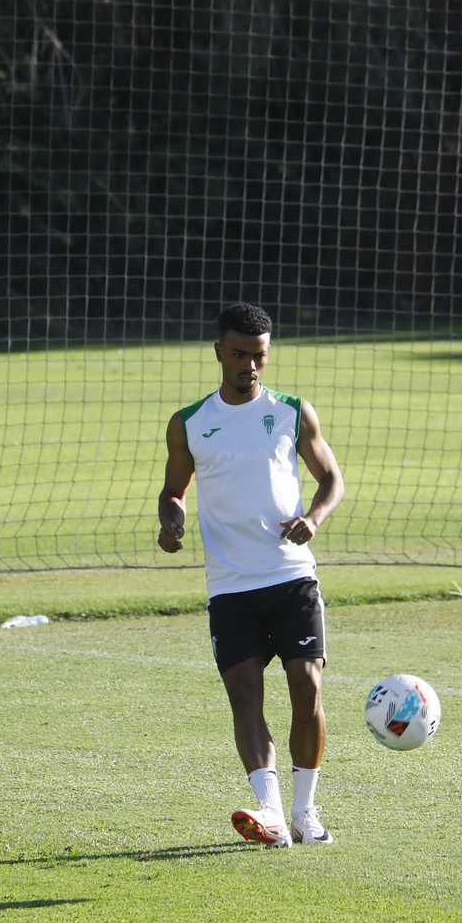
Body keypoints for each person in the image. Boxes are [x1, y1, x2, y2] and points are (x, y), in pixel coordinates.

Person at [157, 303, 345, 847]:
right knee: (244, 693)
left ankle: (307, 813)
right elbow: (173, 491)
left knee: (306, 686)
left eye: (258, 356)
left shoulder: (291, 412)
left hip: (290, 576)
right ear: (218, 351)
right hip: (230, 584)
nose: (250, 366)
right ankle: (271, 813)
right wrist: (172, 522)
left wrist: (313, 518)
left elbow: (331, 477)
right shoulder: (189, 423)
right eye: (239, 354)